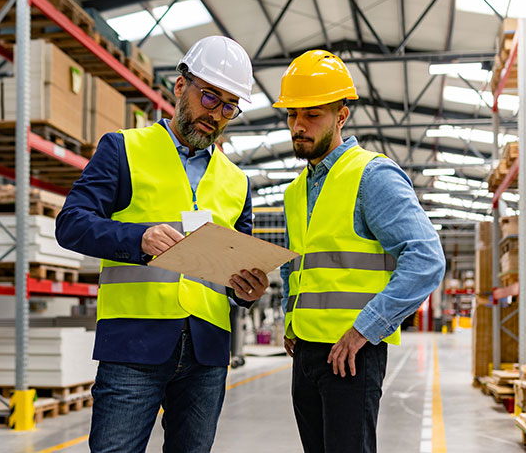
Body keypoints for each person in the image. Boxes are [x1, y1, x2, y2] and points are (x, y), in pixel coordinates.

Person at [56, 36, 269, 453]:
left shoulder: (237, 182)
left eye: (229, 107)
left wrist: (246, 290)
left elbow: (233, 265)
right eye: (210, 97)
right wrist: (138, 237)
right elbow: (71, 224)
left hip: (207, 353)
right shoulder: (123, 150)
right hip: (133, 344)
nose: (216, 114)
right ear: (179, 86)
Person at [273, 50, 446, 453]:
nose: (298, 125)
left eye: (312, 114)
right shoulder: (294, 191)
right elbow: (295, 265)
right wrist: (289, 318)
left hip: (351, 355)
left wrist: (366, 329)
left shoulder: (372, 175)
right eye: (292, 114)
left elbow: (426, 258)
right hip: (306, 354)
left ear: (341, 115)